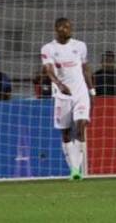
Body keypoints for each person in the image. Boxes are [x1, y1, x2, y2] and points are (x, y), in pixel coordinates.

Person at [40, 17, 95, 180]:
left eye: (70, 27)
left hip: (81, 93)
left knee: (80, 126)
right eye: (65, 27)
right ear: (57, 29)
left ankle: (76, 170)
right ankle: (73, 167)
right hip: (62, 95)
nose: (69, 30)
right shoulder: (48, 48)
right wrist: (59, 84)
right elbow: (48, 69)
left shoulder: (80, 46)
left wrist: (92, 90)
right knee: (65, 134)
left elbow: (85, 68)